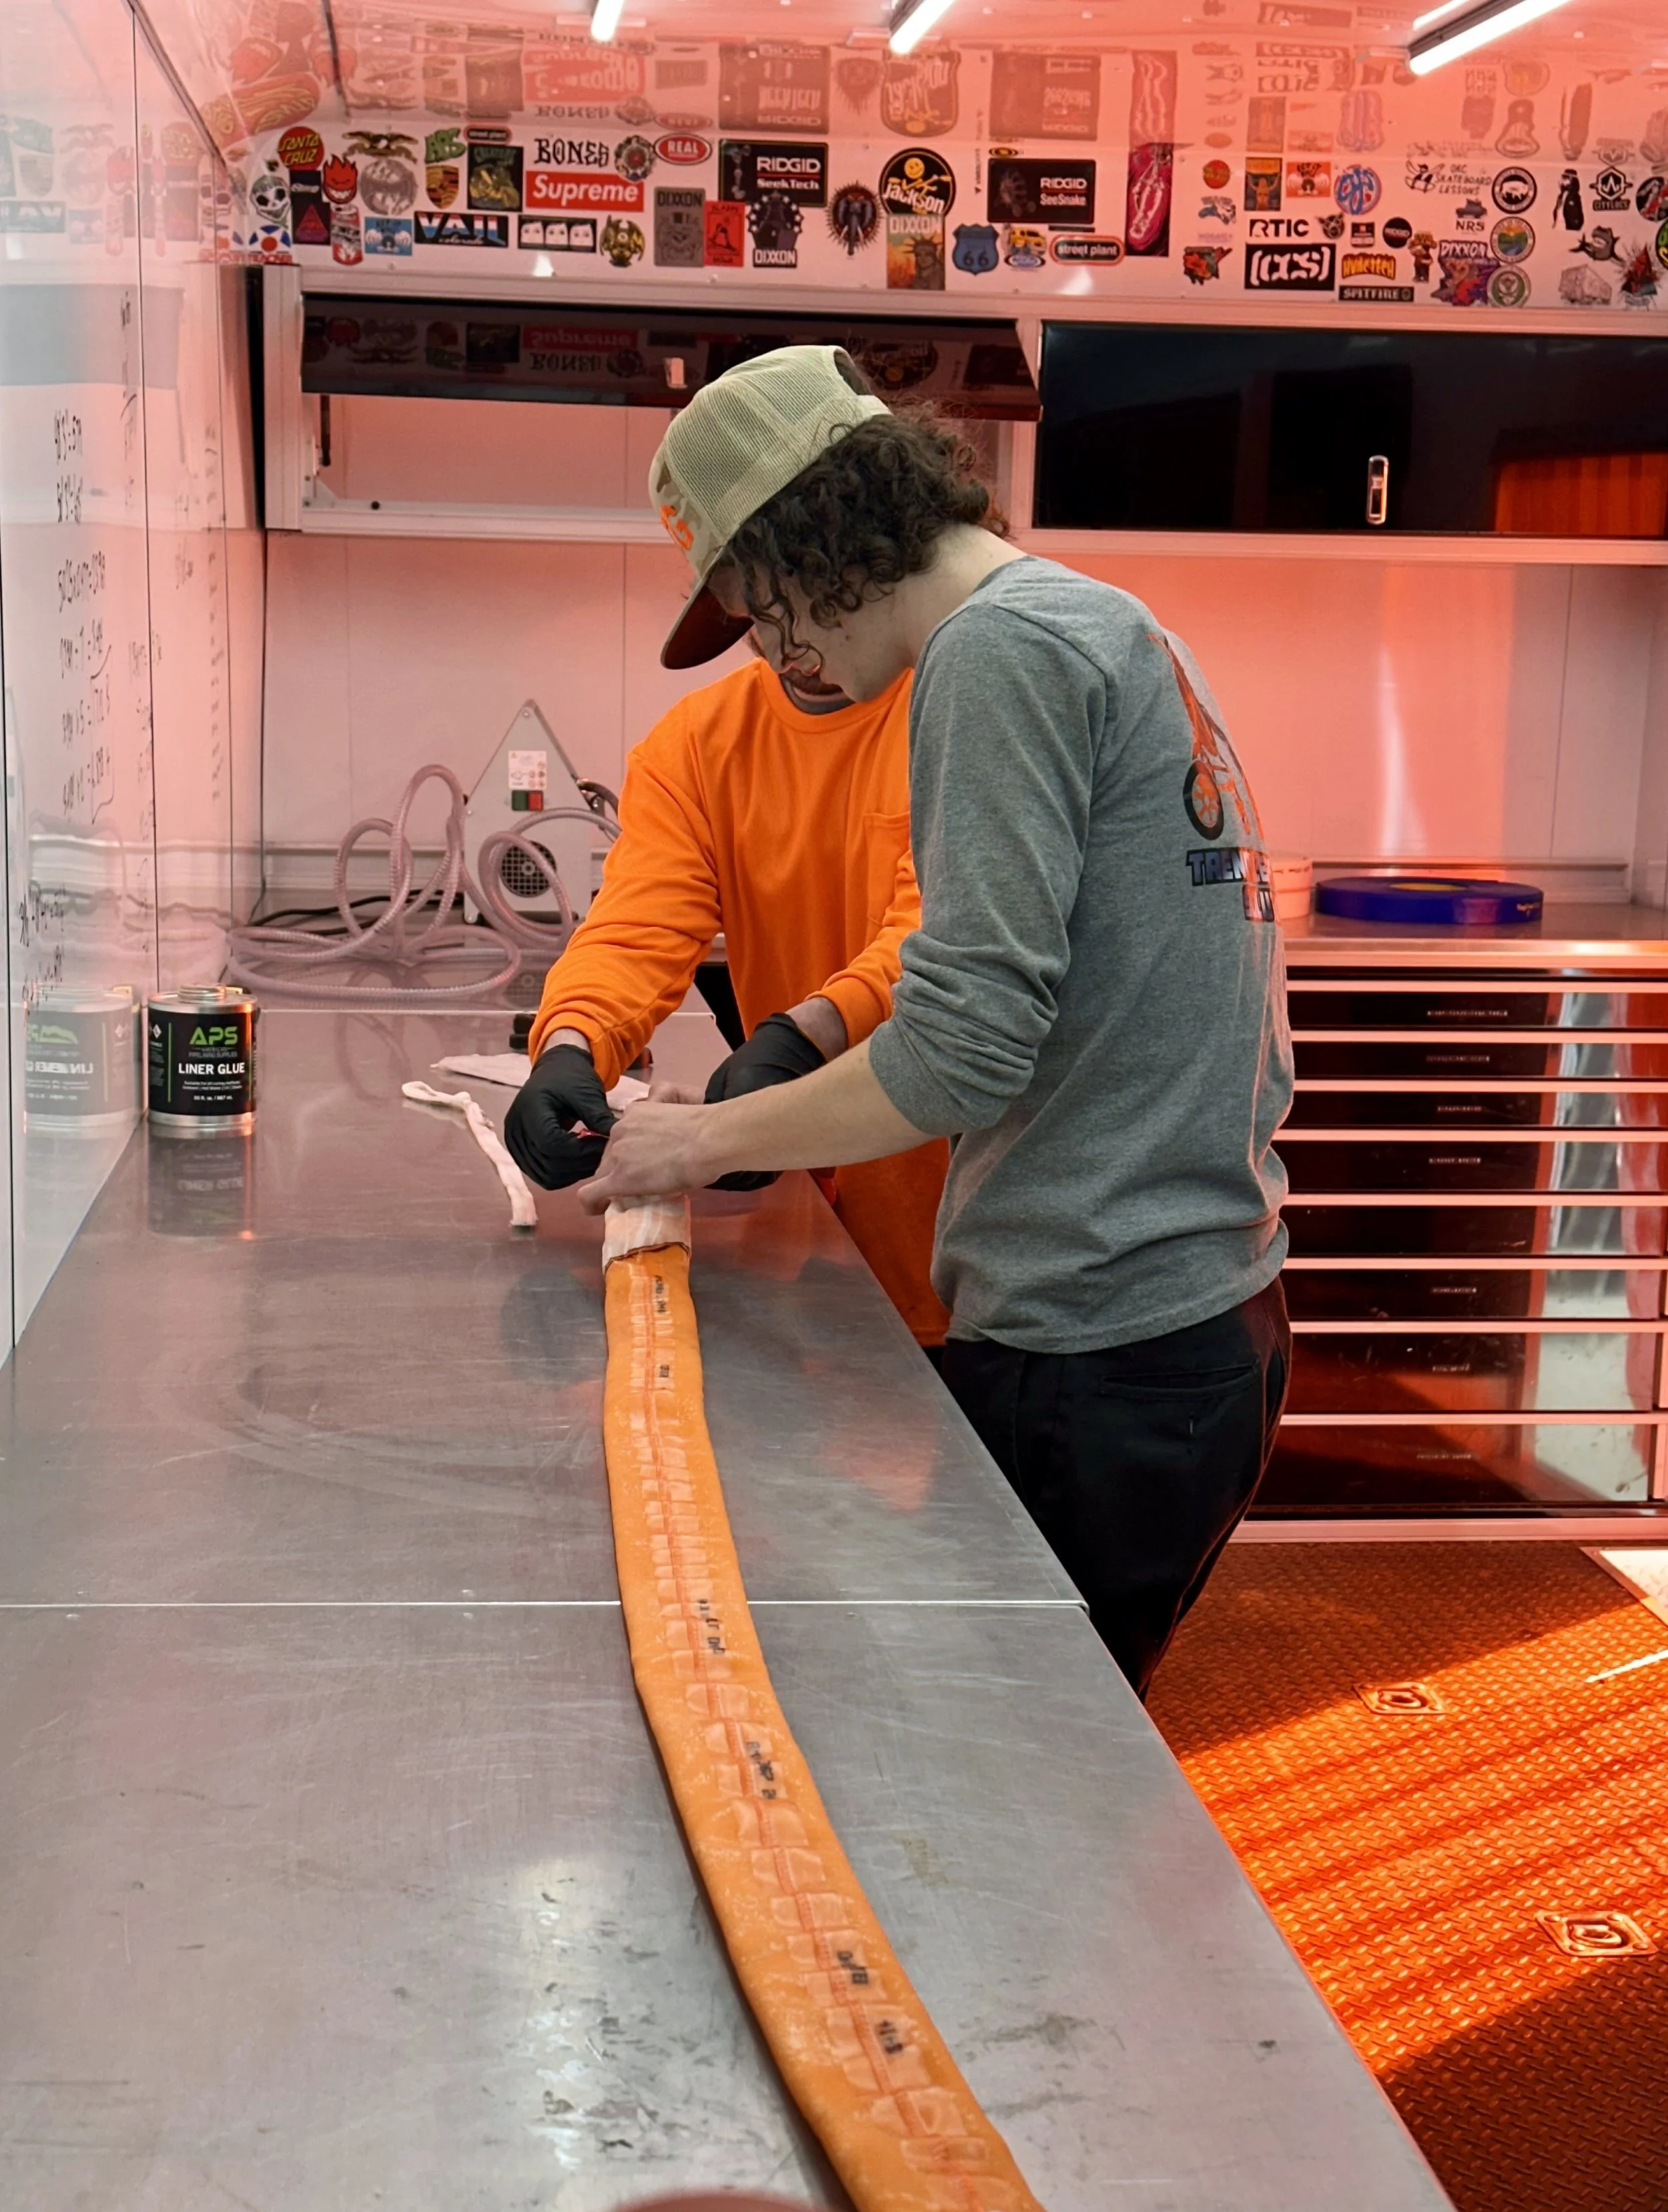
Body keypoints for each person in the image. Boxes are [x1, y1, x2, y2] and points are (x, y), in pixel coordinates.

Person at [578, 343, 1294, 1699]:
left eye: (762, 610)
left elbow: (962, 1043)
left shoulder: (990, 658)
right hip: (1201, 1312)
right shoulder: (1101, 619)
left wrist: (692, 1138)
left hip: (1097, 1345)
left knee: (1003, 1776)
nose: (783, 654)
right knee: (1047, 1747)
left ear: (813, 544)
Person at [502, 647, 951, 1350]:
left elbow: (946, 940)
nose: (788, 635)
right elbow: (636, 928)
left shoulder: (956, 715)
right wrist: (570, 1042)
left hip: (962, 1238)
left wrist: (804, 1037)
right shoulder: (699, 742)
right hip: (819, 1249)